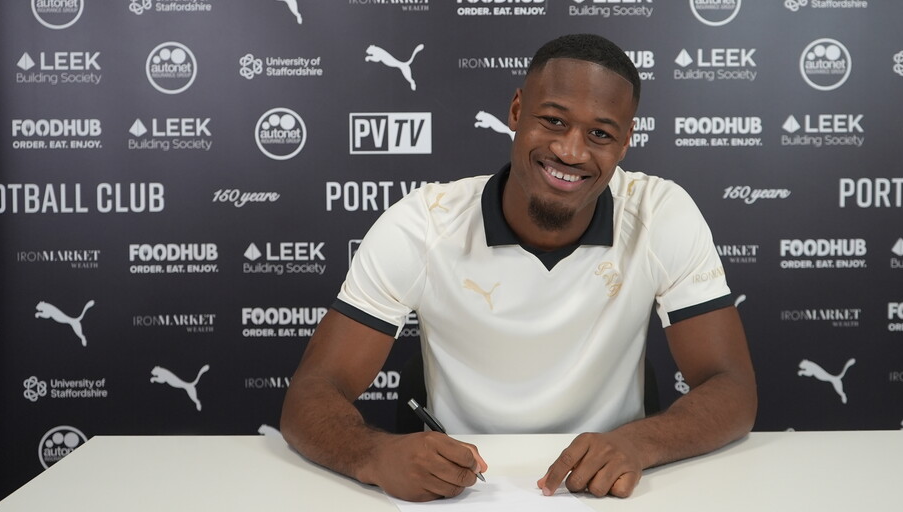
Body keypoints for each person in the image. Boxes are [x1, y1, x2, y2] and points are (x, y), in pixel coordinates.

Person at [280, 33, 756, 502]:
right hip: (461, 491)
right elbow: (312, 392)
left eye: (600, 134)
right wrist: (374, 455)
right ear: (515, 111)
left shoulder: (660, 213)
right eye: (553, 121)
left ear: (626, 141)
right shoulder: (423, 224)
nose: (571, 151)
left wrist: (639, 443)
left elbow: (732, 388)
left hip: (605, 490)